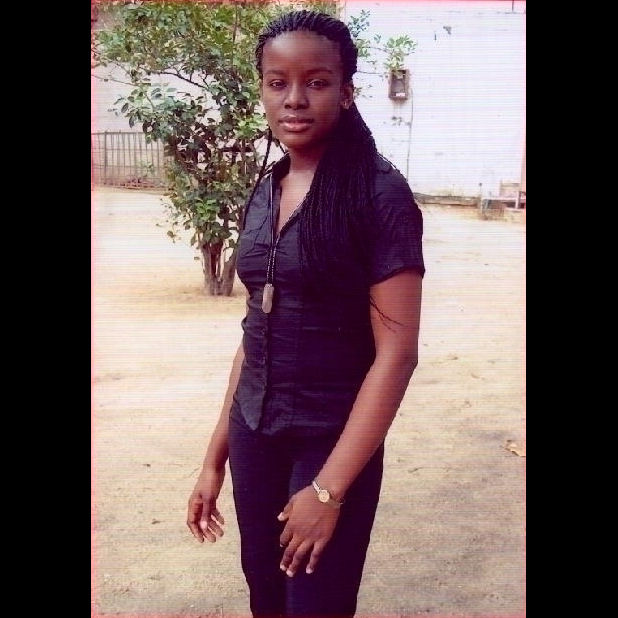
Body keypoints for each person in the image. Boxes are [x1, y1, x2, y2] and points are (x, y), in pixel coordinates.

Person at [187, 9, 425, 617]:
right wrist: (214, 458)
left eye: (316, 82)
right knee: (266, 599)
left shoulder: (379, 195)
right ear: (263, 89)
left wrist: (328, 489)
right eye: (278, 82)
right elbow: (255, 332)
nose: (294, 99)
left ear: (346, 92)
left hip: (332, 438)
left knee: (317, 606)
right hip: (255, 434)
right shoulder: (266, 188)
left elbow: (397, 353)